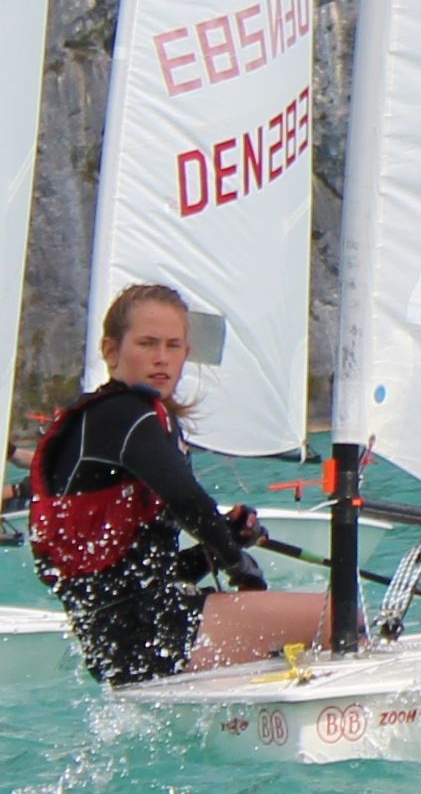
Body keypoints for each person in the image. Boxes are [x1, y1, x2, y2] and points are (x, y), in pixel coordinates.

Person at [27, 284, 329, 683]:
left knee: (302, 642)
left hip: (128, 646)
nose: (161, 358)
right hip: (150, 635)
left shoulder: (130, 422)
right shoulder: (121, 415)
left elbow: (146, 573)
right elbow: (187, 499)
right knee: (339, 618)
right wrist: (239, 566)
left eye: (173, 346)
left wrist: (220, 545)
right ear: (111, 351)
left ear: (187, 353)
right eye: (147, 343)